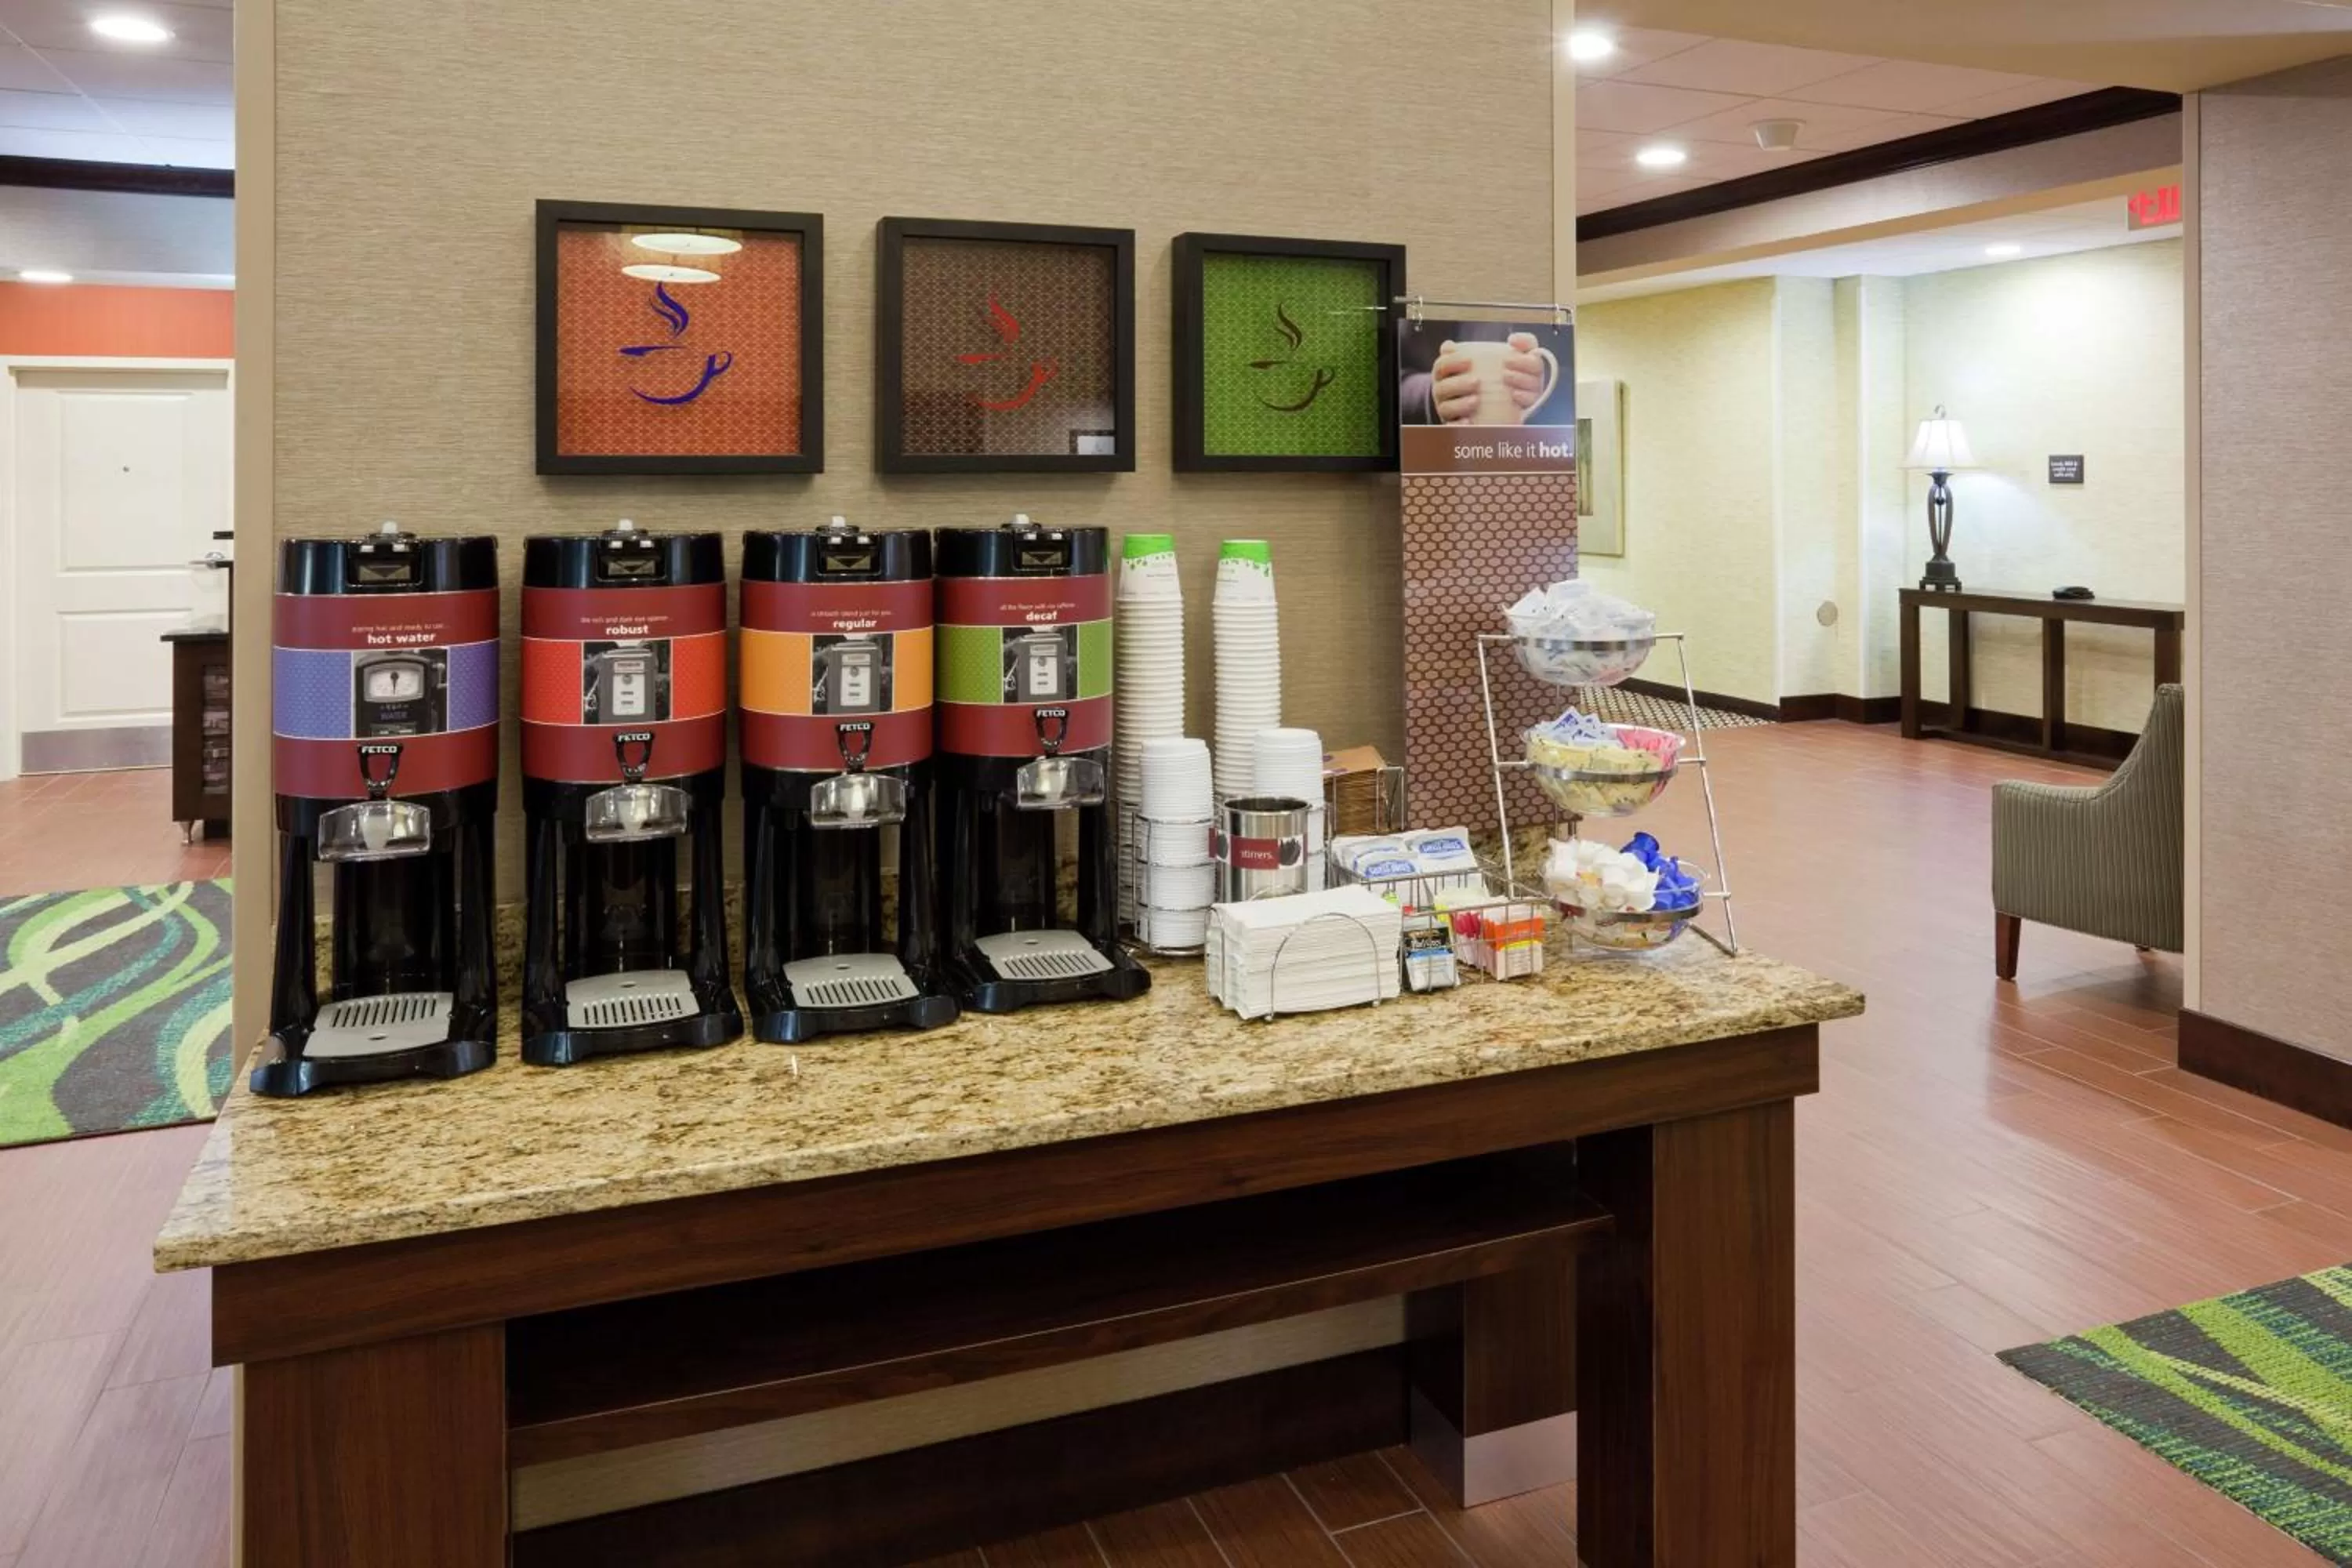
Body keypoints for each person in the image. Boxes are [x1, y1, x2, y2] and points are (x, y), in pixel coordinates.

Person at [1399, 325, 1563, 425]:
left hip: (1526, 452)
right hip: (1436, 454)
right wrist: (1435, 393)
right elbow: (1385, 382)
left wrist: (1538, 379)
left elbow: (1572, 369)